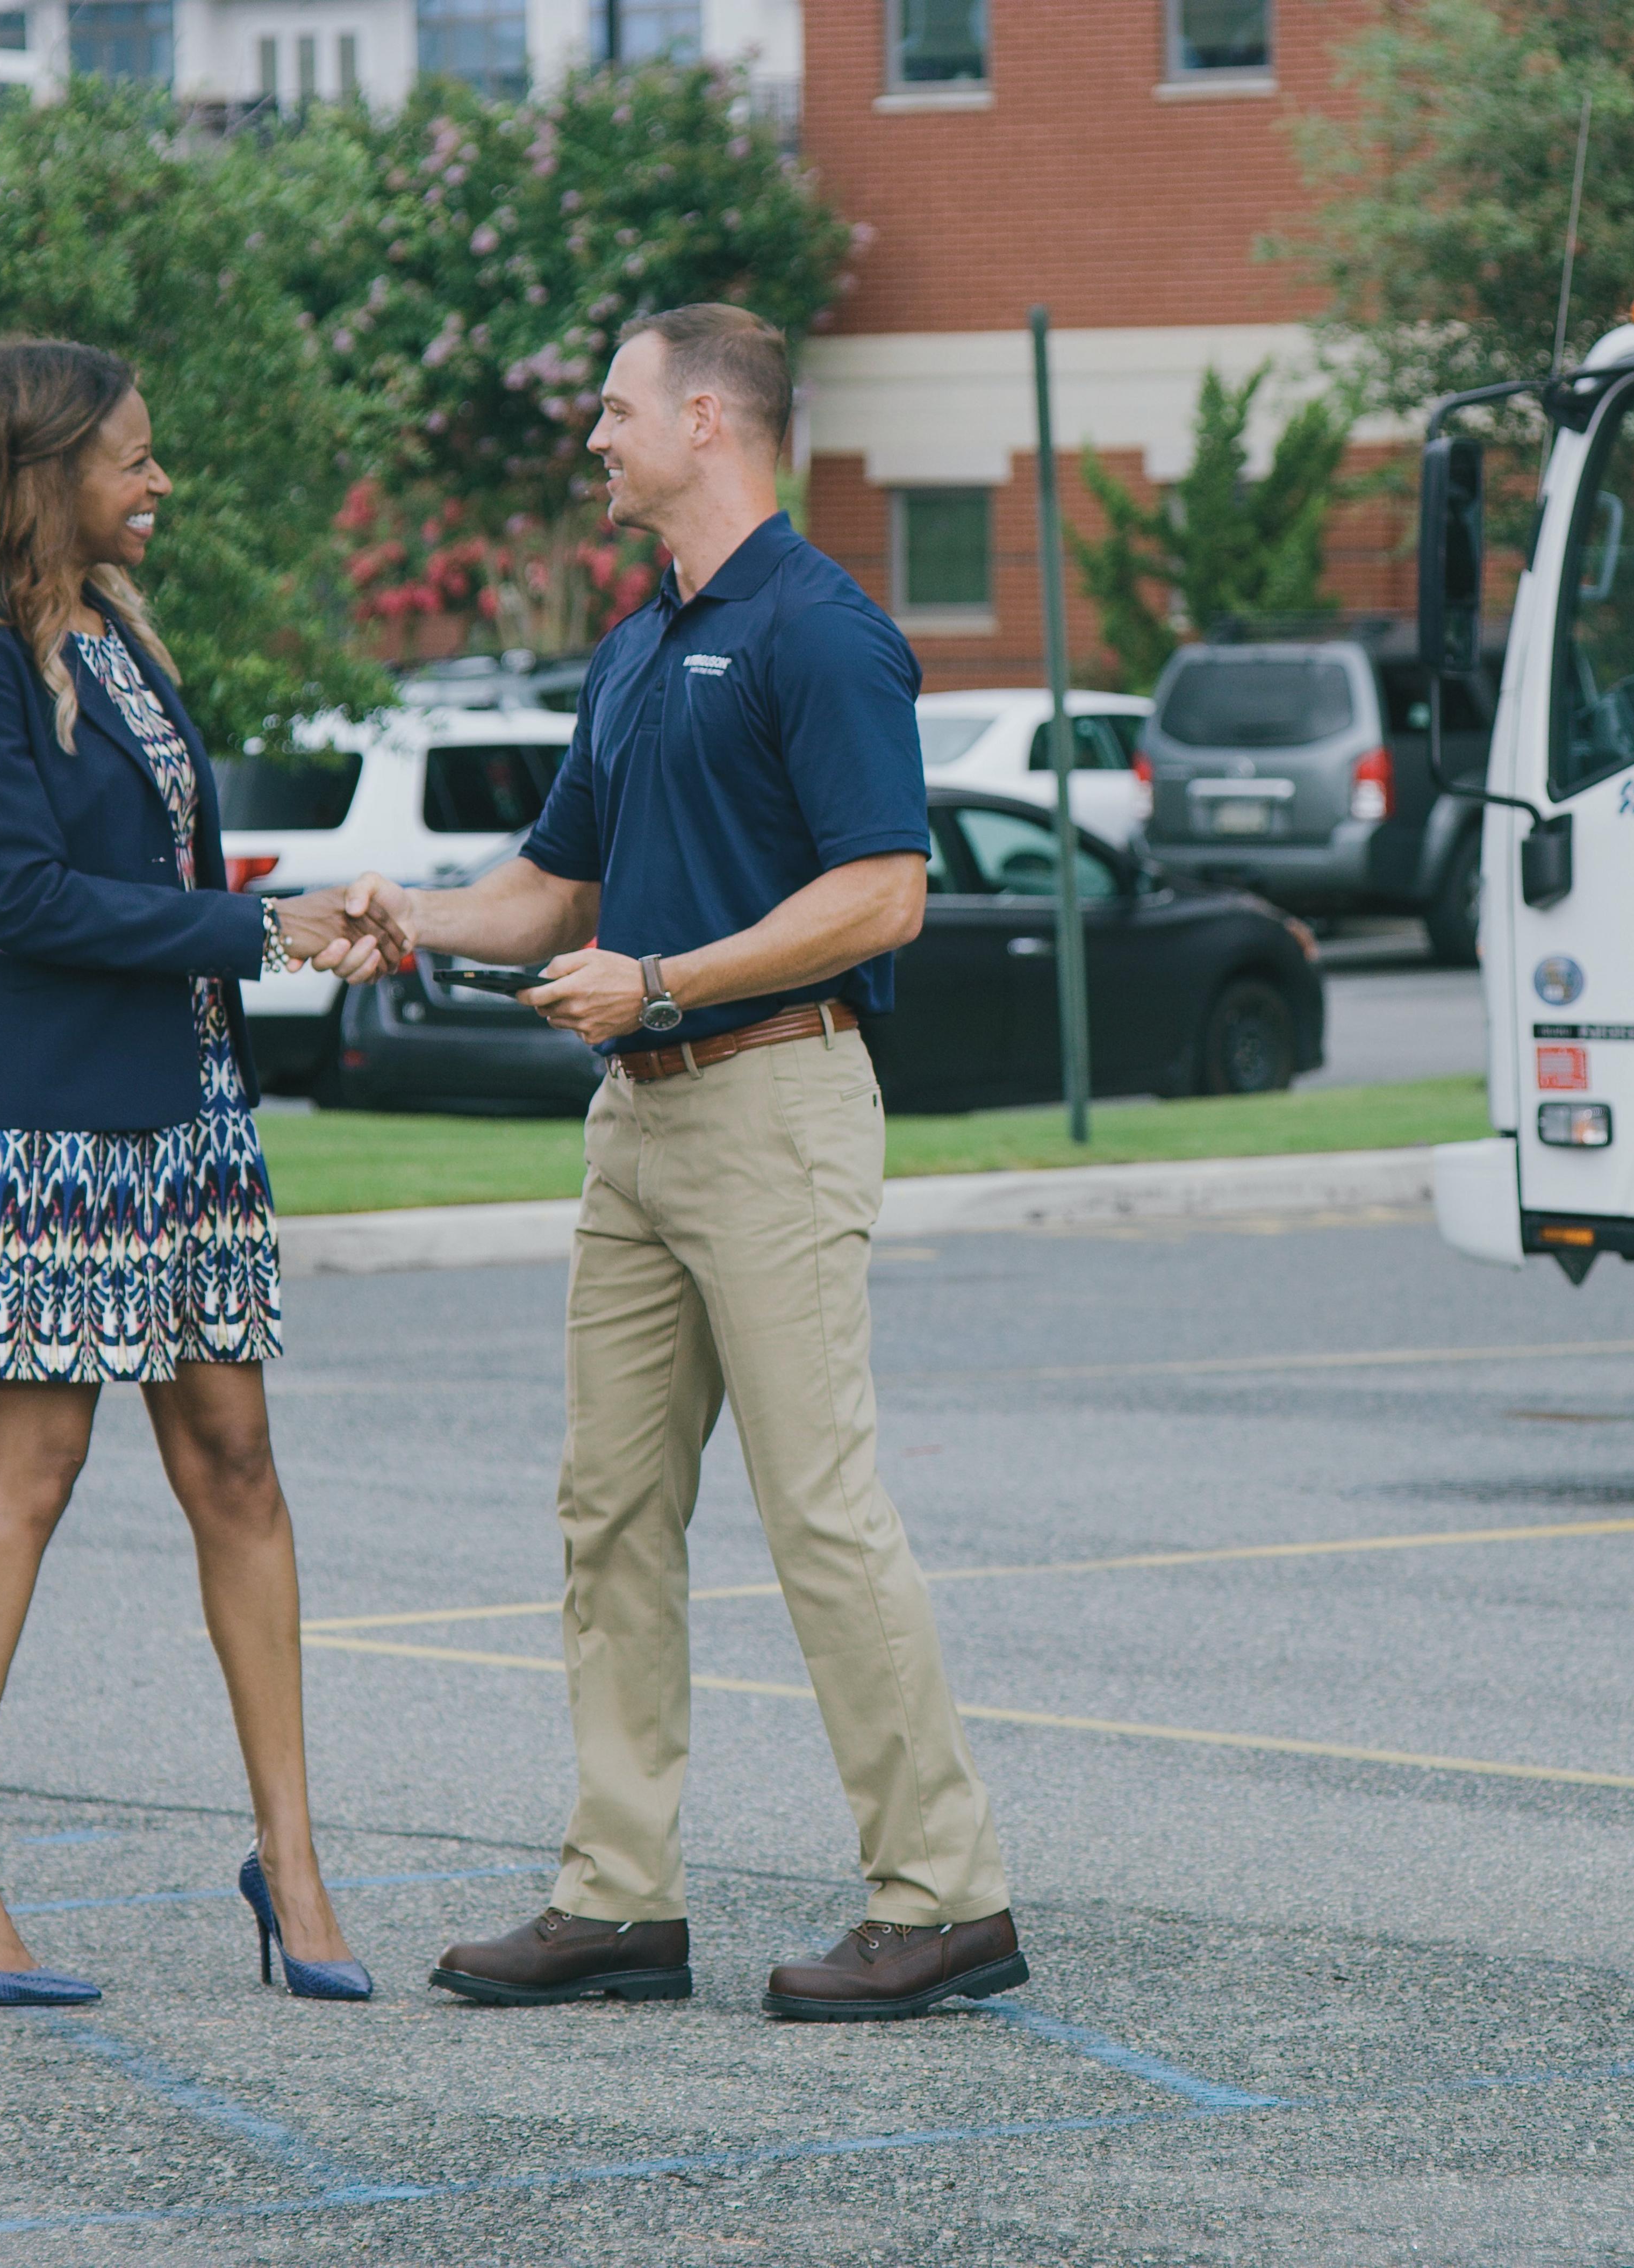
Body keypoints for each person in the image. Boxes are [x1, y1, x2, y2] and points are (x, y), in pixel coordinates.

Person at [337, 304, 1026, 2021]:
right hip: (636, 1124)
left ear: (711, 420)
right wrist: (407, 914)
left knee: (820, 1509)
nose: (596, 436)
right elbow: (554, 887)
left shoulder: (824, 632)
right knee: (610, 1509)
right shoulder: (640, 646)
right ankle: (620, 1898)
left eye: (618, 408)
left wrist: (665, 980)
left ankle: (945, 1894)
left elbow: (886, 890)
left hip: (776, 1101)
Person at [0, 338, 400, 2008]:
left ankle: (293, 1863)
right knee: (26, 1475)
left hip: (185, 1116)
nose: (160, 482)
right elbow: (24, 898)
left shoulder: (120, 636)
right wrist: (260, 927)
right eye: (134, 459)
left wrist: (306, 909)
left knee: (238, 1465)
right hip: (42, 1131)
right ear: (40, 474)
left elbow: (166, 875)